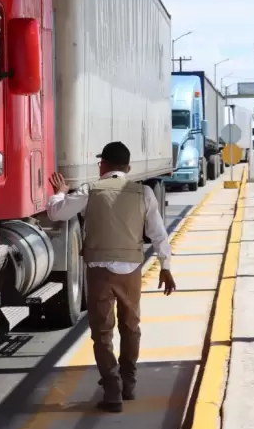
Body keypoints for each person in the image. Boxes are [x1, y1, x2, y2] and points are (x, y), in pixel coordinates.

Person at [47, 141, 175, 413]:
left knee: (102, 332)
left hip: (99, 271)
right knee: (131, 326)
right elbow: (158, 233)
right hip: (131, 270)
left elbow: (56, 213)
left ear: (102, 165)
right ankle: (128, 382)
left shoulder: (90, 190)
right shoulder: (144, 193)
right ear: (128, 168)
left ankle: (112, 386)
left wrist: (59, 194)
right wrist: (165, 266)